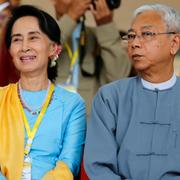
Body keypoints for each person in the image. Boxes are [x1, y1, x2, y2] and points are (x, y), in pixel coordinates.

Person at [84, 3, 180, 180]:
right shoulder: (110, 98)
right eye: (131, 36)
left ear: (174, 43)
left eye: (147, 34)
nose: (135, 43)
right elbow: (99, 167)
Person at [0, 5, 86, 180]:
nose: (24, 47)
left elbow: (69, 163)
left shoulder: (73, 104)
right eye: (17, 40)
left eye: (33, 38)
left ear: (54, 48)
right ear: (10, 51)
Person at [51, 0, 131, 116]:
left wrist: (106, 25)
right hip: (51, 122)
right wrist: (71, 16)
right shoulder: (39, 33)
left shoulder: (99, 37)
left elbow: (118, 77)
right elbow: (44, 50)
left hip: (88, 125)